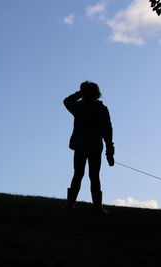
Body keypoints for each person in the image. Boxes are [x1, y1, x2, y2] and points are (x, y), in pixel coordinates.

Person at [63, 81, 115, 214]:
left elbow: (67, 101)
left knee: (79, 174)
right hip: (94, 146)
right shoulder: (101, 109)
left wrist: (79, 94)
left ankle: (71, 205)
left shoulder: (80, 106)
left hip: (82, 145)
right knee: (94, 176)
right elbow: (108, 130)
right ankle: (97, 207)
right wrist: (110, 149)